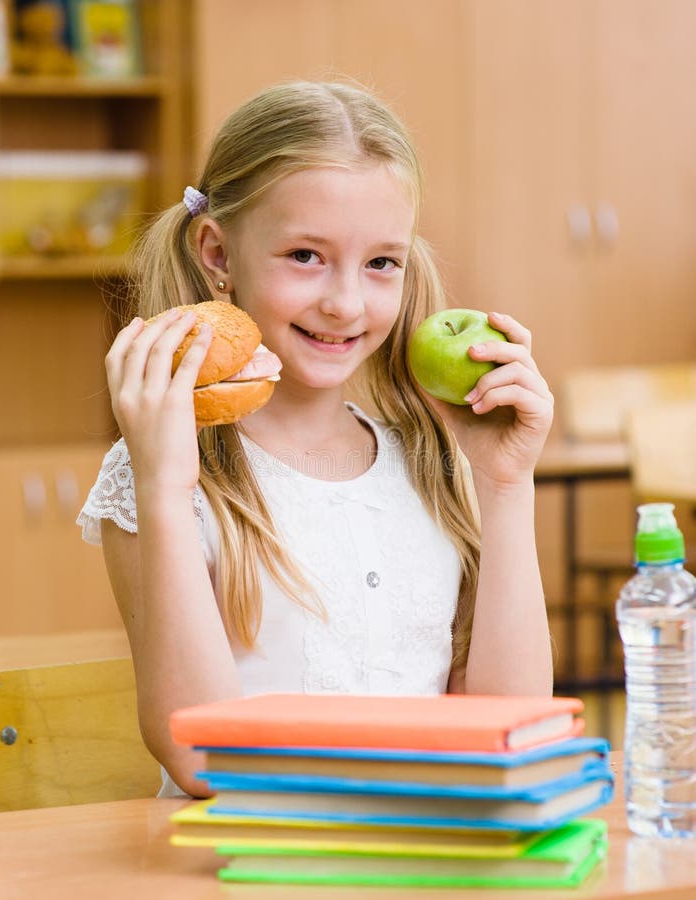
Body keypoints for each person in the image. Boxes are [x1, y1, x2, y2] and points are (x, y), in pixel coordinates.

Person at [78, 80, 555, 798]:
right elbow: (201, 759)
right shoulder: (163, 474)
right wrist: (164, 487)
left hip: (417, 860)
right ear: (218, 254)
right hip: (248, 868)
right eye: (305, 255)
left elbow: (511, 730)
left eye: (380, 263)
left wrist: (506, 486)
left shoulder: (430, 464)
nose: (345, 302)